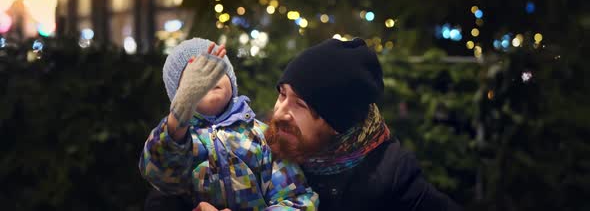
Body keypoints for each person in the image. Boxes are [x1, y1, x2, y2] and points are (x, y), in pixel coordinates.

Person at [264, 37, 462, 211]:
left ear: (336, 123)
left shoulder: (390, 180)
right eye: (282, 94)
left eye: (300, 104)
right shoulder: (258, 148)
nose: (280, 112)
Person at [139, 38, 318, 211]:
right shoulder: (179, 140)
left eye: (216, 69)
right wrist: (179, 113)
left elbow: (297, 199)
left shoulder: (262, 136)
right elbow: (161, 176)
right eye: (195, 75)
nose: (208, 78)